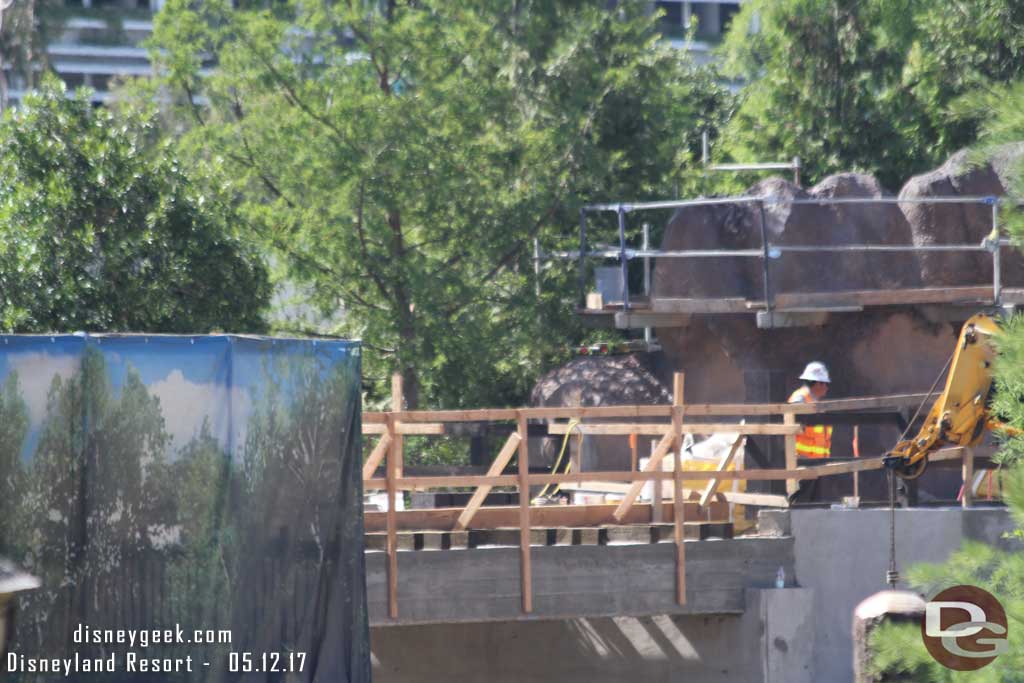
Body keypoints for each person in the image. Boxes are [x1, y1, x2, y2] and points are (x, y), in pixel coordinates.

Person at [788, 362, 832, 459]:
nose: (826, 387)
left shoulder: (815, 401)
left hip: (818, 463)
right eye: (825, 383)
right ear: (816, 383)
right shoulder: (800, 399)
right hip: (804, 463)